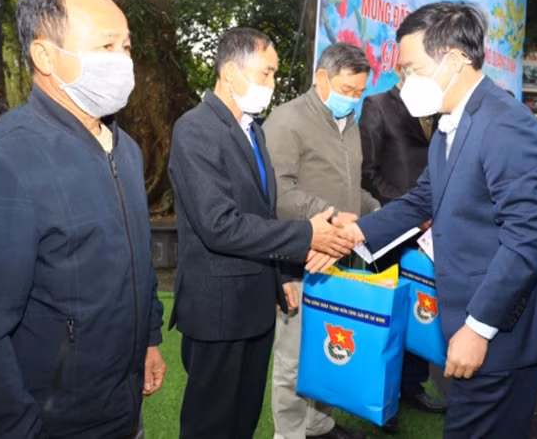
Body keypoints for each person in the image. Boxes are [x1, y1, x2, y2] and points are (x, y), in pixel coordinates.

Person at [0, 0, 165, 439]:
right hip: (50, 422)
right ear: (46, 56)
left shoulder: (127, 149)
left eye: (127, 46)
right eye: (106, 46)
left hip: (121, 409)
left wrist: (150, 338)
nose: (123, 61)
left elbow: (137, 260)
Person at [338, 1, 537, 439]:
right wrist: (353, 234)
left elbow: (528, 238)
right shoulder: (449, 121)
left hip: (501, 333)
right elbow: (424, 198)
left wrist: (479, 328)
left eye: (412, 68)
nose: (403, 83)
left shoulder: (505, 124)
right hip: (471, 324)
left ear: (455, 60)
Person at [168, 27, 355, 439]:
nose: (273, 84)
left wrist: (282, 276)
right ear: (232, 73)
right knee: (211, 425)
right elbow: (220, 225)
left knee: (243, 419)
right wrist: (307, 235)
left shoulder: (252, 130)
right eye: (266, 74)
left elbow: (262, 212)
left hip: (254, 304)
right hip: (217, 310)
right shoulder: (196, 129)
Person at [263, 42, 379, 439]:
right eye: (346, 90)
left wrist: (375, 209)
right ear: (321, 78)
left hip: (342, 256)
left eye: (359, 92)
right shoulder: (287, 120)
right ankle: (289, 432)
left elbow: (351, 187)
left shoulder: (351, 125)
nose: (352, 99)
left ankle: (316, 422)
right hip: (302, 254)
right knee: (294, 356)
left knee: (329, 345)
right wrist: (327, 212)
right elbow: (275, 191)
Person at [359, 65, 446, 433]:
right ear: (399, 70)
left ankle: (413, 386)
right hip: (393, 228)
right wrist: (412, 210)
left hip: (433, 234)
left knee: (421, 313)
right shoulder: (377, 105)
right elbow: (369, 173)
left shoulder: (442, 108)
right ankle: (384, 397)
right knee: (389, 316)